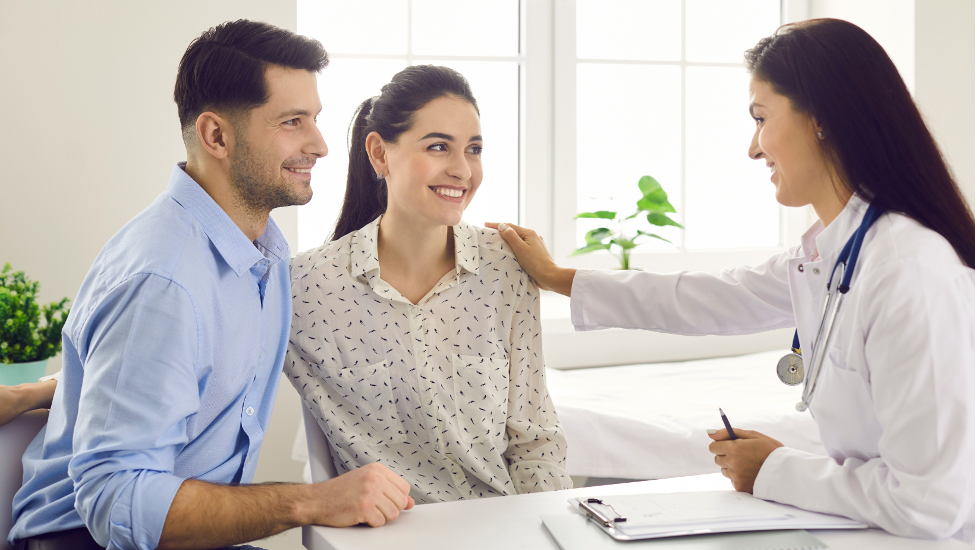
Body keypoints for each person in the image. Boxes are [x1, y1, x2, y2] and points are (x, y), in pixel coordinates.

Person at [488, 19, 975, 542]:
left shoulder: (908, 270)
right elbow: (706, 297)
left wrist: (775, 469)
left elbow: (929, 504)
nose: (753, 147)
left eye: (761, 117)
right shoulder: (830, 255)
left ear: (822, 119)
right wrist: (559, 278)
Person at [8, 20, 412, 550]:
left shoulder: (260, 248)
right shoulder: (165, 280)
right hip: (88, 539)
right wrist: (312, 501)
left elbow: (150, 382)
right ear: (216, 135)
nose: (319, 145)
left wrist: (57, 391)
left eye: (314, 119)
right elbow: (117, 502)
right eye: (292, 122)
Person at [285, 65, 571, 504]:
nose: (462, 170)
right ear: (379, 154)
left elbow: (536, 443)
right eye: (439, 147)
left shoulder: (505, 266)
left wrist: (545, 530)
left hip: (504, 528)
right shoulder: (303, 288)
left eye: (473, 149)